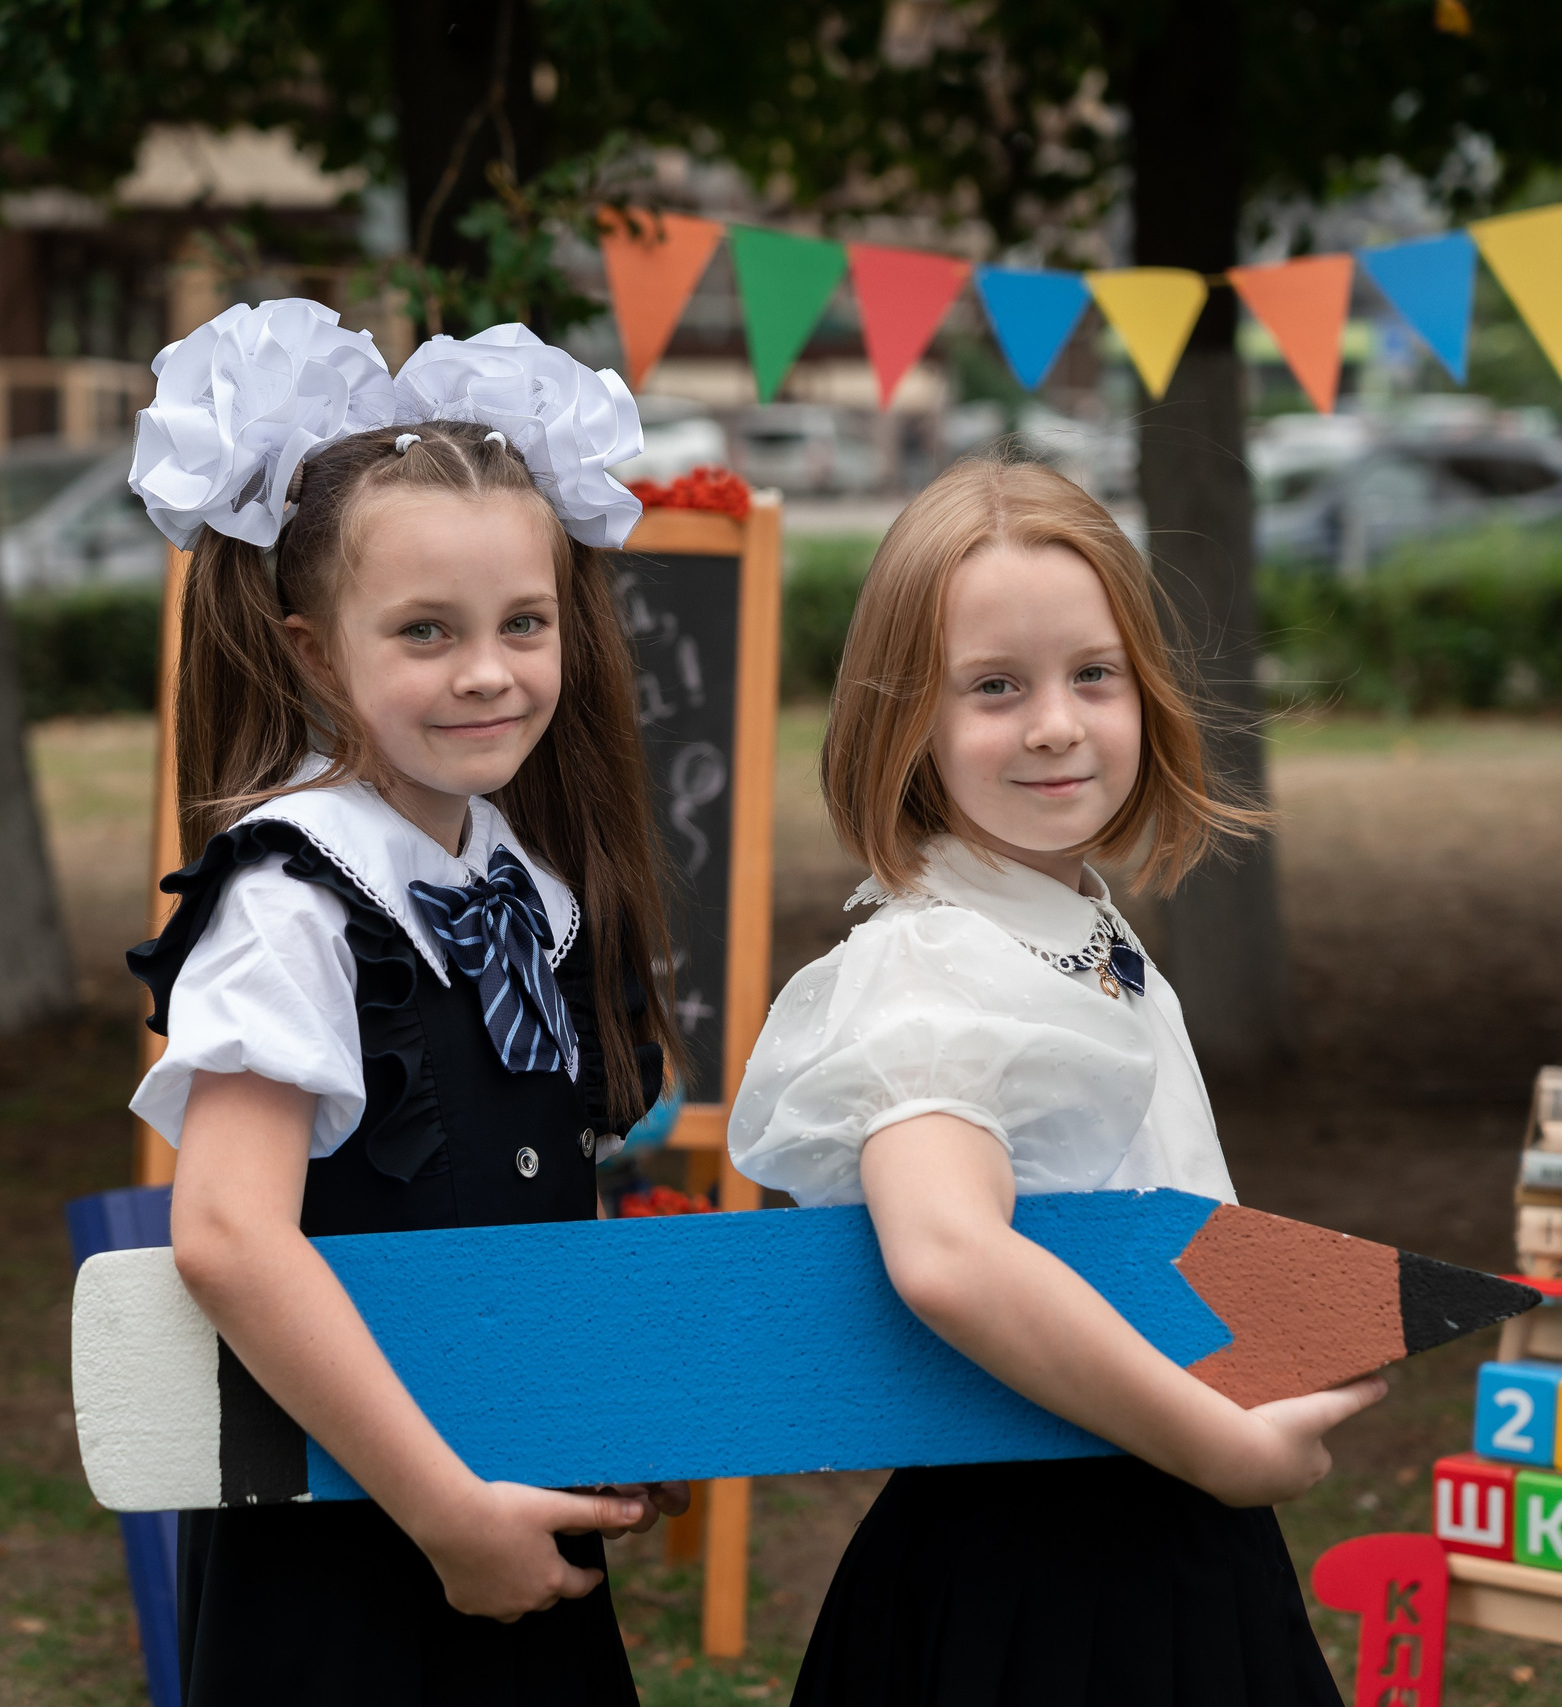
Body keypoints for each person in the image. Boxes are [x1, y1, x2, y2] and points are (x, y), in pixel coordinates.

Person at [728, 456, 1384, 1706]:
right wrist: (1224, 1449)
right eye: (992, 687)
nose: (1053, 723)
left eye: (1093, 674)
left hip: (1162, 1533)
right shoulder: (928, 961)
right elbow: (948, 1256)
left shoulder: (1069, 918)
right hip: (1047, 1578)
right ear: (900, 720)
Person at [121, 300, 685, 1706]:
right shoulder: (289, 903)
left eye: (523, 623)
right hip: (349, 1558)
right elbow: (231, 1238)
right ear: (317, 654)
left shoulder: (525, 887)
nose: (488, 669)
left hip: (515, 1511)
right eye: (425, 629)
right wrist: (443, 1509)